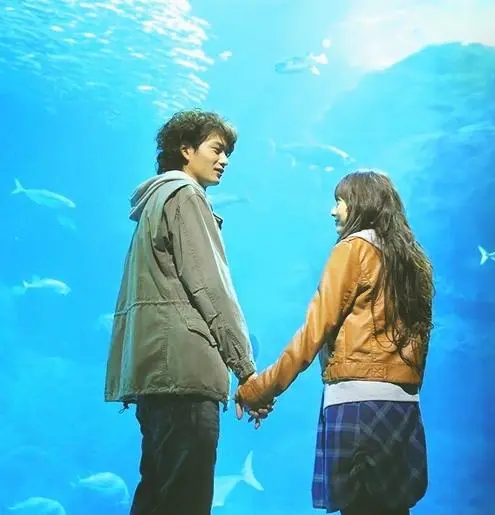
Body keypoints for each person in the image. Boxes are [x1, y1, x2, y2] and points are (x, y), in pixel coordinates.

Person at [235, 169, 434, 515]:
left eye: (340, 201)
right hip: (403, 409)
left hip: (356, 408)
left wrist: (259, 389)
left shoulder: (353, 250)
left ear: (362, 204)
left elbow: (314, 332)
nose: (333, 211)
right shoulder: (415, 261)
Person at [104, 109, 271, 515]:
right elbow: (211, 288)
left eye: (228, 153)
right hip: (185, 376)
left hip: (154, 377)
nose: (224, 160)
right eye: (216, 149)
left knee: (155, 497)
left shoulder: (153, 203)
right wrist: (246, 370)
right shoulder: (187, 196)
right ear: (185, 149)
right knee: (186, 501)